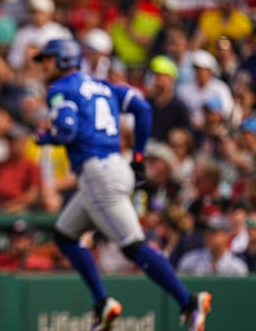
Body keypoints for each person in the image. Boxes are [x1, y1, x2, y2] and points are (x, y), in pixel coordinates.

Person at [32, 38, 211, 331]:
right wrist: (138, 155)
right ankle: (102, 304)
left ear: (64, 60)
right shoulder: (104, 86)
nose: (43, 66)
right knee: (65, 234)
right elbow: (142, 107)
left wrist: (47, 137)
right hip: (114, 167)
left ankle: (187, 301)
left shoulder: (61, 88)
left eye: (48, 59)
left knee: (133, 246)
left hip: (97, 174)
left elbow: (66, 129)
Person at [177, 214, 249, 276]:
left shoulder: (237, 267)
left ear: (226, 235)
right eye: (207, 231)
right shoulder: (189, 260)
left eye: (214, 232)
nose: (208, 235)